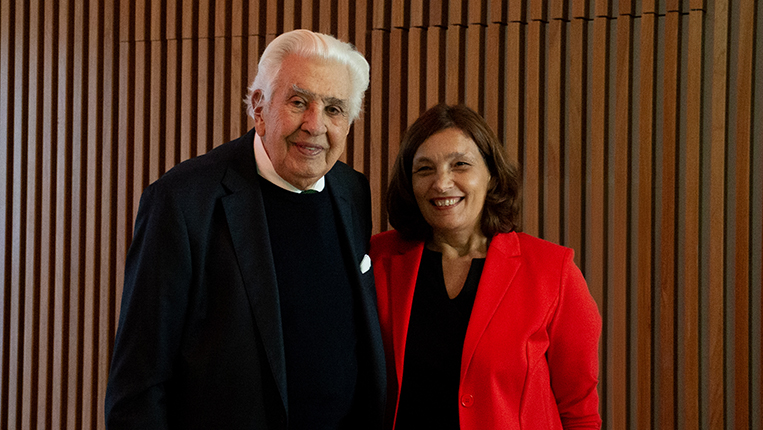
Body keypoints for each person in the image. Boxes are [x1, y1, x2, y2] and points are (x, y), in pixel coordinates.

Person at [105, 29, 385, 429]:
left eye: (334, 109)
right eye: (298, 102)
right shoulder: (183, 201)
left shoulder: (352, 191)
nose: (315, 125)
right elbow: (138, 386)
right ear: (259, 107)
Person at [370, 104, 602, 429]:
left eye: (460, 165)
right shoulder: (378, 260)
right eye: (424, 169)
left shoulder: (553, 271)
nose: (441, 183)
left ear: (491, 174)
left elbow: (579, 410)